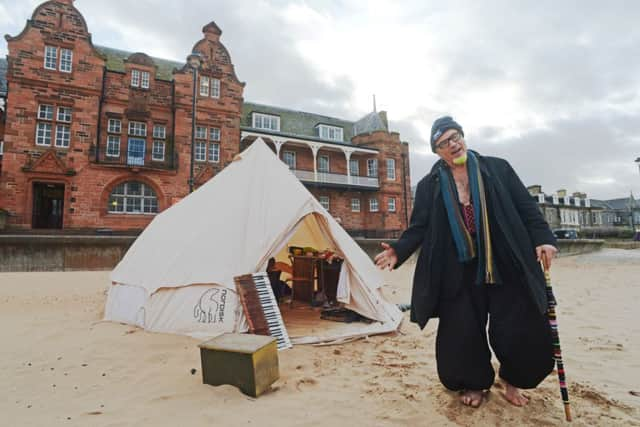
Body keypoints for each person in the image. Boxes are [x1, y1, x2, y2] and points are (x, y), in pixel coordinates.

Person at [375, 116, 558, 408]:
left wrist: (544, 239)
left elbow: (526, 208)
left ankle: (513, 380)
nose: (453, 144)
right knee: (462, 327)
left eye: (455, 136)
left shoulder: (497, 169)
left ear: (463, 136)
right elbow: (419, 226)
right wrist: (398, 251)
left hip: (504, 260)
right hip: (457, 267)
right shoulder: (429, 185)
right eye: (444, 142)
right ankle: (473, 383)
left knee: (517, 324)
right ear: (437, 151)